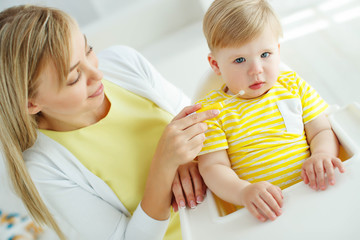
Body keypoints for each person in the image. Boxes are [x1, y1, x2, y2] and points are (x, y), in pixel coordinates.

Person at [0, 5, 220, 240]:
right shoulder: (44, 168)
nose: (97, 74)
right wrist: (164, 165)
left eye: (88, 51)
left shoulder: (123, 61)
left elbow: (204, 117)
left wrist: (190, 152)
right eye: (74, 78)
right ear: (31, 104)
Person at [196, 0, 345, 223]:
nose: (256, 69)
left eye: (265, 54)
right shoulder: (212, 112)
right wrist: (242, 192)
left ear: (278, 50)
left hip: (317, 190)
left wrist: (322, 154)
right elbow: (213, 167)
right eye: (239, 60)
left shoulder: (294, 87)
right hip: (264, 215)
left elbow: (321, 130)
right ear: (215, 64)